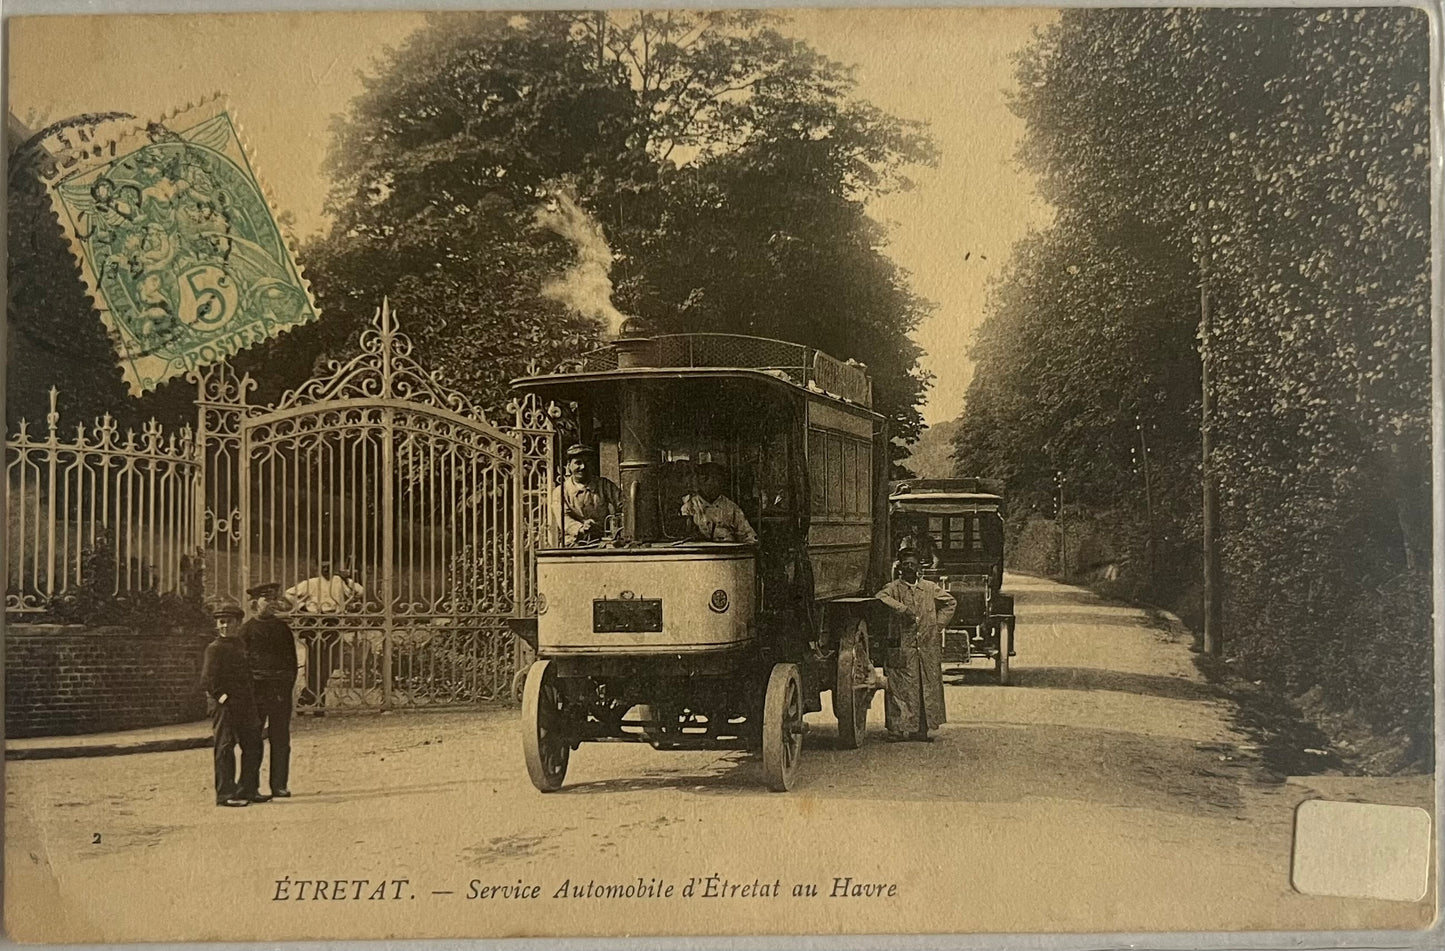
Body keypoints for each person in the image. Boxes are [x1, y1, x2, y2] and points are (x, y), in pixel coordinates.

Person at [875, 547, 957, 742]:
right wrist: (902, 609)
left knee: (925, 686)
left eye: (913, 564)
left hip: (927, 647)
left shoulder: (929, 588)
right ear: (900, 567)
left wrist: (937, 625)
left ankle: (921, 730)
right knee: (899, 687)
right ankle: (896, 729)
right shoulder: (893, 588)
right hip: (903, 646)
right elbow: (881, 597)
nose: (909, 568)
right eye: (906, 565)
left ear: (919, 566)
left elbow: (950, 602)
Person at [200, 598, 266, 806]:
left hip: (246, 703)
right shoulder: (214, 648)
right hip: (225, 706)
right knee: (225, 747)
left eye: (229, 621)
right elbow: (208, 680)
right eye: (221, 622)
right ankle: (225, 794)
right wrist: (223, 698)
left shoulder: (240, 645)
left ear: (238, 623)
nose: (225, 626)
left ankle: (248, 788)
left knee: (253, 745)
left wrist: (251, 698)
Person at [240, 582, 297, 799]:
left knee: (280, 738)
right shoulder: (247, 630)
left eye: (274, 600)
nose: (271, 604)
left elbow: (291, 662)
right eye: (266, 600)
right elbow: (242, 665)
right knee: (252, 738)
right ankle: (250, 786)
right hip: (256, 692)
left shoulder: (283, 629)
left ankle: (279, 785)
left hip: (279, 691)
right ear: (256, 603)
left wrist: (286, 686)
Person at [286, 562, 364, 712]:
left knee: (329, 662)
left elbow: (360, 592)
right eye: (323, 566)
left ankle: (308, 695)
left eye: (329, 566)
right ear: (318, 567)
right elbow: (288, 593)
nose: (326, 569)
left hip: (333, 621)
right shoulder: (311, 583)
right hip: (315, 621)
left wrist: (347, 579)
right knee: (314, 661)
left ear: (334, 566)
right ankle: (318, 700)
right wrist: (302, 607)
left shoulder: (339, 582)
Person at [549, 444, 622, 546]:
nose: (583, 467)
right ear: (569, 465)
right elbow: (563, 518)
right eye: (578, 463)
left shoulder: (604, 485)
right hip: (573, 542)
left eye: (587, 462)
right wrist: (580, 528)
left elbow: (622, 504)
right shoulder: (560, 491)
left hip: (602, 541)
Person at [680, 462, 757, 543]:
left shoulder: (731, 507)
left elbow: (748, 535)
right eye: (710, 480)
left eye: (718, 480)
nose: (716, 484)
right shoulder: (690, 505)